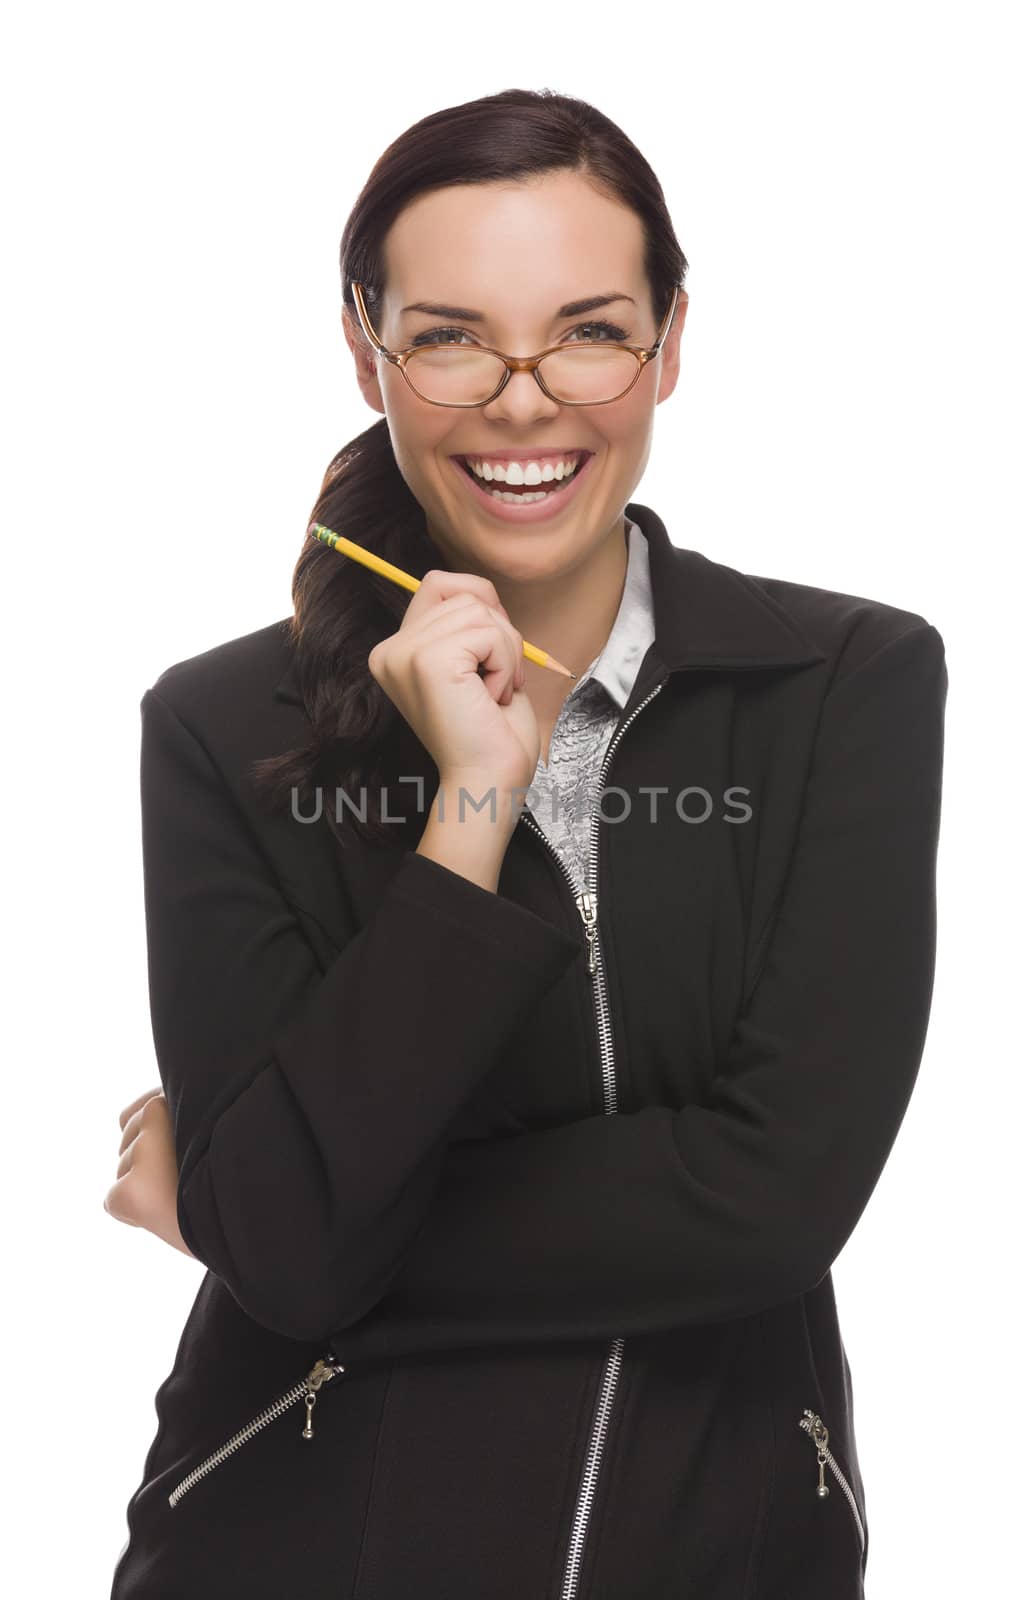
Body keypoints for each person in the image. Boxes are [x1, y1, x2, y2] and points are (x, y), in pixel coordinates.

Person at [104, 87, 947, 1600]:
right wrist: (473, 806)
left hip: (723, 1546)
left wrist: (249, 1223)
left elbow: (774, 1202)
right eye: (448, 336)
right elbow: (291, 1238)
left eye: (589, 329)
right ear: (366, 347)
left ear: (671, 341)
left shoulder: (847, 684)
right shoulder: (220, 727)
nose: (523, 397)